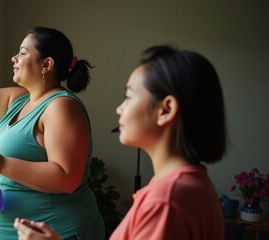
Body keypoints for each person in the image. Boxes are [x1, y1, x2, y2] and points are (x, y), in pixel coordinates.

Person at [14, 45, 227, 240]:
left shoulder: (166, 201)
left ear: (166, 110)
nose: (119, 109)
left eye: (129, 96)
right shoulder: (190, 185)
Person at [0, 26, 105, 240]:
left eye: (23, 53)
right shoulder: (19, 99)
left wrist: (2, 164)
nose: (14, 58)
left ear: (46, 64)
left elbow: (67, 178)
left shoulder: (61, 107)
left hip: (62, 232)